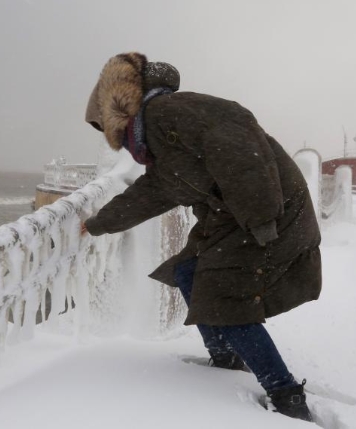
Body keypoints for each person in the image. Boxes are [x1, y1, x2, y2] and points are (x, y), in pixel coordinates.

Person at [81, 52, 321, 422]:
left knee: (228, 301)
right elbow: (151, 193)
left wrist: (259, 218)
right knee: (188, 272)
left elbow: (240, 147)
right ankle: (224, 358)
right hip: (235, 217)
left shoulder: (168, 112)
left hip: (265, 212)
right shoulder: (159, 144)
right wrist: (98, 223)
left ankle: (285, 394)